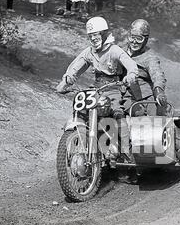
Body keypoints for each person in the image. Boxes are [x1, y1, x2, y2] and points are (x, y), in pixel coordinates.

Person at [56, 16, 140, 162]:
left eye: (96, 34)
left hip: (113, 87)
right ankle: (85, 142)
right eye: (90, 35)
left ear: (104, 33)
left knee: (117, 111)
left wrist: (131, 75)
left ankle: (126, 150)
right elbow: (76, 65)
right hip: (96, 89)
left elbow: (130, 64)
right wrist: (66, 80)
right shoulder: (89, 52)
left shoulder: (114, 50)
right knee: (81, 111)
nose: (94, 38)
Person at [125, 19, 180, 162]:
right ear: (128, 35)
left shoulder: (149, 57)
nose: (134, 42)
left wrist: (158, 90)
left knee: (157, 119)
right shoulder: (120, 51)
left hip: (144, 97)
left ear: (145, 40)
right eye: (132, 37)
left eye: (139, 38)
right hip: (121, 94)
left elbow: (157, 75)